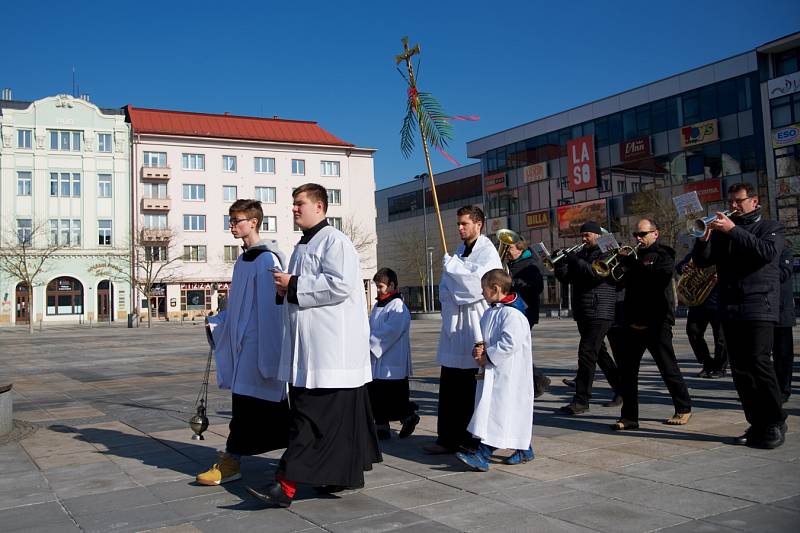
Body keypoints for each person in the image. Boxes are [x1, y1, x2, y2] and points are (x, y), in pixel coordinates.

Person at [248, 184, 381, 507]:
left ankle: (286, 485)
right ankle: (341, 474)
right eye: (293, 204)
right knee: (329, 422)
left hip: (331, 351)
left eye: (300, 204)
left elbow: (341, 286)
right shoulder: (303, 245)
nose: (294, 209)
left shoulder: (335, 241)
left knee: (309, 421)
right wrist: (285, 289)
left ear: (320, 207)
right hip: (310, 349)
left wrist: (292, 284)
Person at [196, 199, 290, 486]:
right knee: (249, 405)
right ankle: (286, 456)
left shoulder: (266, 259)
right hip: (243, 345)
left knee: (251, 406)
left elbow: (272, 311)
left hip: (258, 347)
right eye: (231, 220)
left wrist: (270, 356)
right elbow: (240, 306)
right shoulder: (243, 259)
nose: (232, 226)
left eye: (237, 220)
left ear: (254, 222)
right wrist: (220, 322)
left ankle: (233, 459)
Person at [693, 183, 787, 448]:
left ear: (754, 201)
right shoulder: (723, 232)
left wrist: (733, 230)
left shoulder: (771, 228)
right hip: (730, 306)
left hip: (759, 304)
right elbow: (702, 261)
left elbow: (767, 253)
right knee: (741, 370)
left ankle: (775, 420)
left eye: (739, 201)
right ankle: (756, 422)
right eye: (731, 201)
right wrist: (703, 238)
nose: (733, 206)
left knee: (759, 363)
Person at [424, 205, 503, 455]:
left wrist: (454, 271)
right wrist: (453, 278)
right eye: (458, 223)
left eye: (464, 224)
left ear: (478, 224)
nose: (459, 228)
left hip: (474, 324)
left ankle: (472, 439)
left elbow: (476, 285)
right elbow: (446, 285)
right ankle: (447, 437)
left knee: (472, 387)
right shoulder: (459, 251)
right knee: (451, 384)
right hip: (454, 325)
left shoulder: (488, 252)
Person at [612, 218, 692, 430]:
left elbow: (657, 280)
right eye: (636, 235)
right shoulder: (632, 257)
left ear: (655, 233)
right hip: (633, 319)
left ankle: (683, 408)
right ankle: (629, 416)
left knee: (667, 367)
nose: (638, 238)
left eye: (643, 234)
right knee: (628, 371)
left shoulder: (665, 254)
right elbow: (619, 283)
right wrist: (617, 265)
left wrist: (631, 264)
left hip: (656, 320)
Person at [456, 269, 534, 471]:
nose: (482, 293)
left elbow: (509, 343)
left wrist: (488, 356)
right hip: (492, 371)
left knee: (499, 413)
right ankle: (524, 448)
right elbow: (484, 337)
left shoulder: (513, 314)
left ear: (496, 288)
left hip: (508, 374)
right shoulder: (492, 311)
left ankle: (483, 454)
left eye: (484, 289)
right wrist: (479, 349)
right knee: (499, 411)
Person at [554, 221, 622, 415]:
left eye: (587, 236)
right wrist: (559, 264)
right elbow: (567, 278)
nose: (584, 239)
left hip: (601, 309)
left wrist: (574, 260)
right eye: (582, 236)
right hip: (583, 310)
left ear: (598, 235)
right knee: (598, 353)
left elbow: (595, 274)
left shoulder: (608, 252)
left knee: (586, 353)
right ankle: (621, 389)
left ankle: (581, 400)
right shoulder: (582, 254)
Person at [367, 268, 420, 440]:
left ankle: (409, 417)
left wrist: (369, 342)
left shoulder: (398, 306)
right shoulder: (378, 305)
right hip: (377, 360)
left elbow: (391, 332)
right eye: (376, 286)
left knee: (394, 396)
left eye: (381, 286)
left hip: (392, 360)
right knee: (376, 394)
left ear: (392, 285)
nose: (378, 290)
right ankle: (381, 426)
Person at [505, 238, 550, 397]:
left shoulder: (531, 264)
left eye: (509, 247)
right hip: (514, 310)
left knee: (517, 348)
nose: (507, 251)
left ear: (520, 249)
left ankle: (537, 380)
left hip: (525, 312)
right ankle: (538, 378)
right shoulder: (512, 263)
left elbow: (536, 287)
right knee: (517, 348)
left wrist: (512, 282)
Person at [675, 253, 728, 378]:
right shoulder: (698, 252)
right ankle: (707, 363)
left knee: (720, 338)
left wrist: (724, 275)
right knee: (693, 332)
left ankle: (720, 367)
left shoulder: (725, 252)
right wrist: (684, 267)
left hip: (719, 302)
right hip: (698, 301)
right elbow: (679, 267)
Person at [773, 246, 795, 404]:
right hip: (762, 310)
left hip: (782, 311)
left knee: (783, 355)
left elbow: (784, 273)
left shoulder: (784, 251)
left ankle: (783, 390)